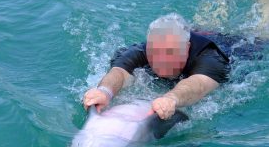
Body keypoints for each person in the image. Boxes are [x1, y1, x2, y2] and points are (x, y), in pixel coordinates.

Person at [83, 13, 231, 120]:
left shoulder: (210, 58)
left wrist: (171, 98)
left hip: (232, 45)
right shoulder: (138, 51)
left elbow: (199, 84)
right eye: (154, 52)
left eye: (170, 52)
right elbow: (119, 73)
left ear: (186, 48)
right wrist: (104, 91)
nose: (161, 60)